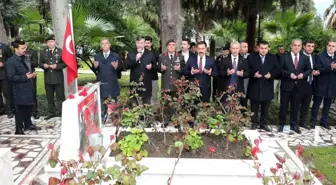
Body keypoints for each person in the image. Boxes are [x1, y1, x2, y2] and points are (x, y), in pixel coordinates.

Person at [6, 37, 41, 135]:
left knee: (29, 106)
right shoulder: (11, 61)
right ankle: (19, 128)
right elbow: (11, 77)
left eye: (25, 47)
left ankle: (28, 124)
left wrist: (31, 75)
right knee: (20, 109)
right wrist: (25, 77)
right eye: (22, 48)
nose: (25, 49)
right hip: (18, 89)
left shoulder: (25, 58)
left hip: (28, 87)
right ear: (16, 49)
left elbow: (28, 70)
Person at [278, 39, 312, 134]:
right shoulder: (284, 57)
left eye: (298, 45)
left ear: (301, 47)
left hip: (299, 86)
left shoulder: (305, 58)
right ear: (291, 46)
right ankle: (281, 124)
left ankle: (294, 125)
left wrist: (303, 75)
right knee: (284, 106)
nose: (296, 47)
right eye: (294, 45)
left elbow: (309, 69)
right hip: (286, 85)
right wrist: (289, 74)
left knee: (295, 107)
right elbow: (280, 70)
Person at [247, 41, 280, 132]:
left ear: (268, 48)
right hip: (255, 85)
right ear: (258, 48)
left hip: (267, 85)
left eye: (265, 48)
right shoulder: (252, 57)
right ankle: (254, 123)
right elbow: (247, 69)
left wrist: (271, 75)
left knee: (266, 107)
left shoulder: (273, 57)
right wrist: (254, 74)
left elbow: (277, 69)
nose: (264, 50)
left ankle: (263, 124)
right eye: (262, 48)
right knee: (254, 107)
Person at [93, 38, 123, 120]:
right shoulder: (97, 56)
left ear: (109, 45)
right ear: (101, 46)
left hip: (112, 84)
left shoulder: (116, 56)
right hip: (102, 84)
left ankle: (114, 120)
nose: (104, 45)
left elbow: (121, 68)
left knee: (113, 105)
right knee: (102, 104)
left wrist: (117, 66)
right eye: (102, 43)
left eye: (106, 43)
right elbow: (95, 69)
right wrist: (95, 67)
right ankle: (102, 119)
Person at [310, 40, 336, 130]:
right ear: (327, 46)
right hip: (320, 84)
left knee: (327, 105)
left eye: (333, 46)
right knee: (316, 104)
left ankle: (324, 122)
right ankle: (312, 122)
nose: (331, 47)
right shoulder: (319, 56)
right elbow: (317, 69)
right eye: (330, 45)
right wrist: (330, 67)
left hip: (332, 86)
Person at [39, 35, 67, 120]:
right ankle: (52, 112)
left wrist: (57, 66)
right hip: (48, 78)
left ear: (54, 42)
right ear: (46, 43)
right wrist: (43, 65)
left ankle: (63, 113)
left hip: (58, 78)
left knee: (60, 97)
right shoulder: (43, 52)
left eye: (51, 41)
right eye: (48, 42)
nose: (50, 43)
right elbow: (40, 63)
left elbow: (65, 63)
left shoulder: (60, 51)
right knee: (49, 97)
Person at [126, 36, 156, 105]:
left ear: (144, 43)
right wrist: (135, 59)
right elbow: (127, 66)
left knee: (146, 104)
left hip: (146, 82)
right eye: (138, 43)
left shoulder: (150, 53)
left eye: (141, 43)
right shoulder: (131, 53)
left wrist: (151, 67)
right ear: (135, 43)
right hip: (134, 82)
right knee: (134, 104)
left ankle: (145, 116)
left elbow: (155, 67)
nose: (140, 44)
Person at [298, 40, 317, 129]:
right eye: (308, 46)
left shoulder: (314, 57)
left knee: (306, 105)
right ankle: (293, 122)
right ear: (304, 47)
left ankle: (303, 122)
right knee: (296, 104)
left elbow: (315, 68)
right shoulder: (299, 56)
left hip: (310, 83)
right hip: (300, 83)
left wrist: (316, 71)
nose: (310, 48)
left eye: (312, 46)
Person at [25, 46, 40, 119]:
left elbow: (35, 63)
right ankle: (27, 111)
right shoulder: (18, 51)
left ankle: (35, 111)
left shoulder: (32, 51)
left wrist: (27, 60)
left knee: (33, 93)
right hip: (22, 75)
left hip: (31, 74)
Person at [0, 41, 14, 118]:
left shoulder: (5, 47)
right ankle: (1, 110)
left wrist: (3, 64)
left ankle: (10, 110)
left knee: (7, 93)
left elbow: (11, 59)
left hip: (4, 75)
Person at [145, 36, 160, 103]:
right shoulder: (140, 52)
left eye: (148, 43)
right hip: (143, 78)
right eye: (145, 43)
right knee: (144, 96)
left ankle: (153, 112)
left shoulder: (156, 53)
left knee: (153, 96)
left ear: (151, 44)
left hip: (153, 77)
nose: (147, 44)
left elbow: (158, 66)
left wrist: (152, 66)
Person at [240, 41, 250, 106]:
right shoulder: (232, 57)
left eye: (247, 47)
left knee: (244, 98)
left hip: (246, 80)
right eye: (244, 47)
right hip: (236, 82)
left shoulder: (250, 57)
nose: (246, 48)